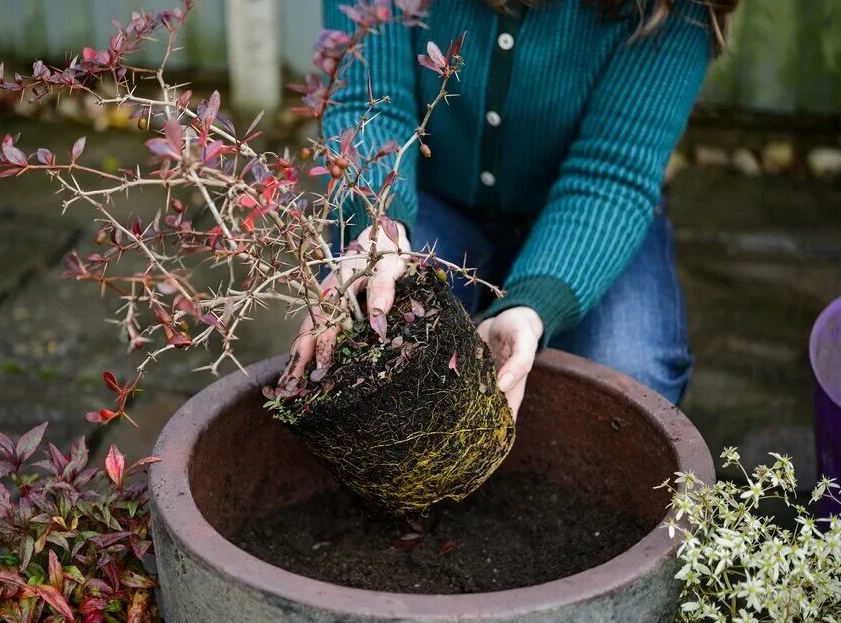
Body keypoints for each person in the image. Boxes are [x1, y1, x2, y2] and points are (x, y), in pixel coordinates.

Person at [283, 0, 738, 421]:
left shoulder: (675, 8)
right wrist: (377, 227)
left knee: (633, 375)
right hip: (422, 200)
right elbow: (369, 103)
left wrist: (533, 307)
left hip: (593, 219)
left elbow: (612, 172)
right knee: (374, 346)